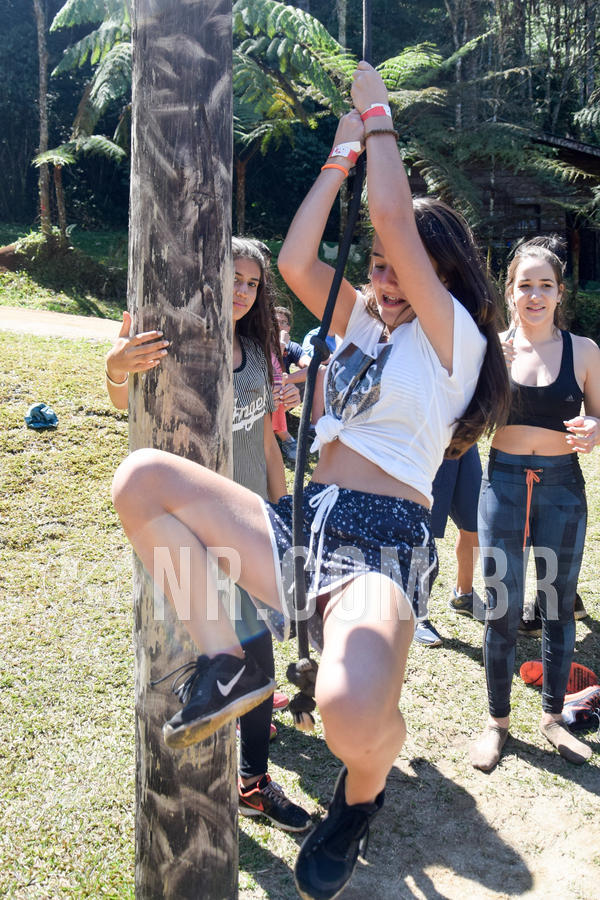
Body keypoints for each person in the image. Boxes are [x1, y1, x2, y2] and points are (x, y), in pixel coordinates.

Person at [112, 61, 509, 900]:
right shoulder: (365, 322)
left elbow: (394, 216)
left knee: (349, 715)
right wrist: (338, 155)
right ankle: (231, 658)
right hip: (306, 520)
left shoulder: (456, 338)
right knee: (142, 481)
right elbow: (296, 257)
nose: (385, 276)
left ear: (441, 276)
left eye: (403, 267)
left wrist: (379, 117)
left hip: (384, 545)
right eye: (381, 265)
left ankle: (359, 797)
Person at [106, 237, 310, 832]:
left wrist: (283, 506)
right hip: (186, 529)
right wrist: (115, 367)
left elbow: (267, 438)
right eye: (233, 279)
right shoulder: (176, 338)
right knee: (192, 653)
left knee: (258, 653)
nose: (242, 292)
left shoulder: (256, 348)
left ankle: (254, 783)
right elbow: (124, 401)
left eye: (252, 283)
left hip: (246, 522)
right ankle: (182, 799)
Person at [470, 237, 600, 772]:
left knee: (557, 604)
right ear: (510, 290)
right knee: (500, 607)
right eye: (525, 285)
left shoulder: (585, 351)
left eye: (545, 285)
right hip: (501, 483)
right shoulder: (490, 349)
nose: (535, 295)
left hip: (562, 488)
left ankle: (551, 717)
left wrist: (594, 428)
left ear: (559, 293)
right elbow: (464, 421)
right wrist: (484, 373)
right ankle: (497, 722)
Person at [415, 444, 484, 647]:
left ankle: (463, 596)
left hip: (465, 438)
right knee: (422, 528)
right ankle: (416, 615)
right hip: (428, 437)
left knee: (475, 522)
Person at [272, 306, 312, 462]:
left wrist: (287, 379)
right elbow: (269, 373)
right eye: (275, 321)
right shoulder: (259, 343)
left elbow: (312, 368)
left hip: (283, 395)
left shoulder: (293, 347)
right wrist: (281, 344)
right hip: (265, 394)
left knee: (318, 373)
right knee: (273, 385)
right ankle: (286, 438)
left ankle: (276, 424)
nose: (279, 325)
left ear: (288, 327)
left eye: (284, 322)